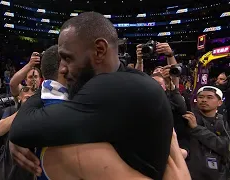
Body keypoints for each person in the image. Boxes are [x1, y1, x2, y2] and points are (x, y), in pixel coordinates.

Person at [9, 12, 174, 180]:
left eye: (68, 58)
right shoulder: (129, 79)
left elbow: (22, 129)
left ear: (99, 50)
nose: (63, 68)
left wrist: (22, 134)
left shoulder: (112, 88)